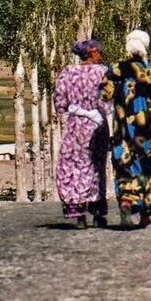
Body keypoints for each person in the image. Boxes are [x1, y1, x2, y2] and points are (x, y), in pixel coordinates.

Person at [101, 29, 151, 229]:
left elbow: (104, 95)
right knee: (149, 168)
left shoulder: (116, 69)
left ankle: (126, 208)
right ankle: (146, 216)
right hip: (150, 131)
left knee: (125, 169)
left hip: (124, 132)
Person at [53, 39, 110, 229]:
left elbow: (60, 103)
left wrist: (76, 109)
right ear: (93, 53)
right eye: (99, 53)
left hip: (75, 126)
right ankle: (97, 212)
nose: (100, 56)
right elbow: (108, 100)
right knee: (96, 166)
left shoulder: (67, 73)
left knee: (74, 166)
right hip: (97, 126)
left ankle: (78, 214)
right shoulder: (103, 73)